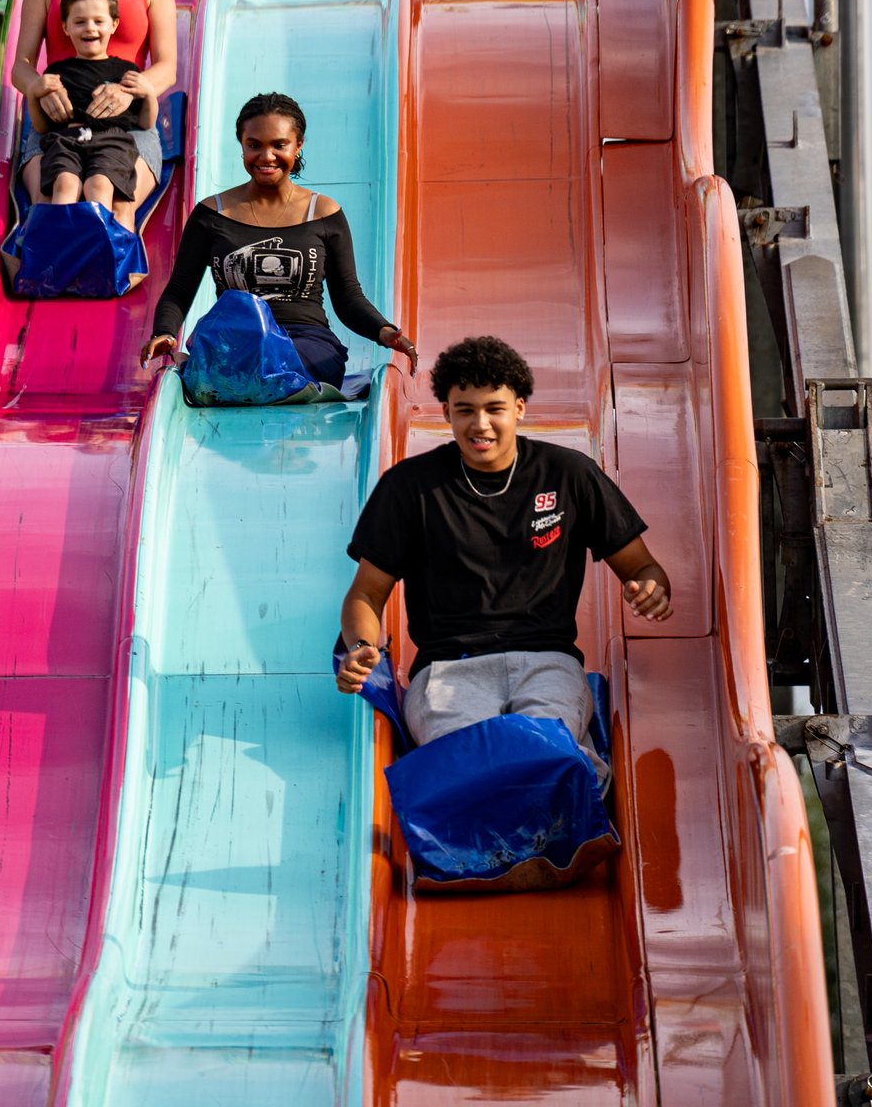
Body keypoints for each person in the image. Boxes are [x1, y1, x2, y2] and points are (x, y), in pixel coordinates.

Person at [332, 335, 674, 787]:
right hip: (448, 668)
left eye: (494, 408)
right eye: (465, 410)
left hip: (546, 662)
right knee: (469, 761)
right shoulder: (409, 488)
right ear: (447, 412)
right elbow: (366, 594)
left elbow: (643, 568)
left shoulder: (568, 474)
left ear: (519, 408)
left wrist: (651, 590)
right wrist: (360, 649)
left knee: (544, 752)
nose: (481, 424)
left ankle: (569, 805)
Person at [141, 92, 413, 385]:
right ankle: (224, 372)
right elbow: (180, 288)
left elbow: (348, 296)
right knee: (240, 355)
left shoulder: (323, 213)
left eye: (279, 145)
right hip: (238, 338)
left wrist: (384, 331)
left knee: (285, 363)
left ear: (298, 146)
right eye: (254, 145)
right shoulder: (212, 213)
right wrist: (165, 332)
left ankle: (212, 373)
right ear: (242, 146)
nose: (266, 156)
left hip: (304, 343)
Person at [10, 0, 176, 229]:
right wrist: (40, 88)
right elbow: (20, 67)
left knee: (119, 201)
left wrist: (128, 90)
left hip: (127, 124)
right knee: (49, 198)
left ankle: (113, 276)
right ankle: (46, 275)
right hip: (58, 122)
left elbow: (166, 68)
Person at [32, 0, 156, 220]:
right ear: (65, 27)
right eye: (79, 22)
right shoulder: (56, 73)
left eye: (99, 21)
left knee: (98, 186)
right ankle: (61, 248)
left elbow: (145, 122)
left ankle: (98, 247)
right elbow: (42, 127)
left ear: (114, 25)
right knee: (65, 185)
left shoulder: (126, 72)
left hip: (111, 141)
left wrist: (149, 93)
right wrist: (32, 95)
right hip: (66, 140)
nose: (90, 28)